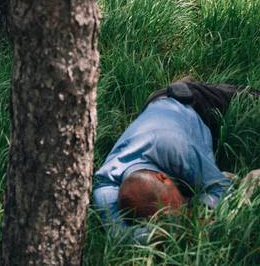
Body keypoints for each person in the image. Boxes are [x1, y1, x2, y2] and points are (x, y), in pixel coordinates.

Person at [93, 77, 260, 243]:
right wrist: (162, 231)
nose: (181, 212)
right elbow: (118, 235)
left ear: (163, 178)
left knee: (252, 98)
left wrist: (196, 210)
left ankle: (185, 85)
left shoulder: (179, 149)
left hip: (196, 103)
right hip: (157, 110)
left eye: (176, 205)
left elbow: (221, 187)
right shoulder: (105, 182)